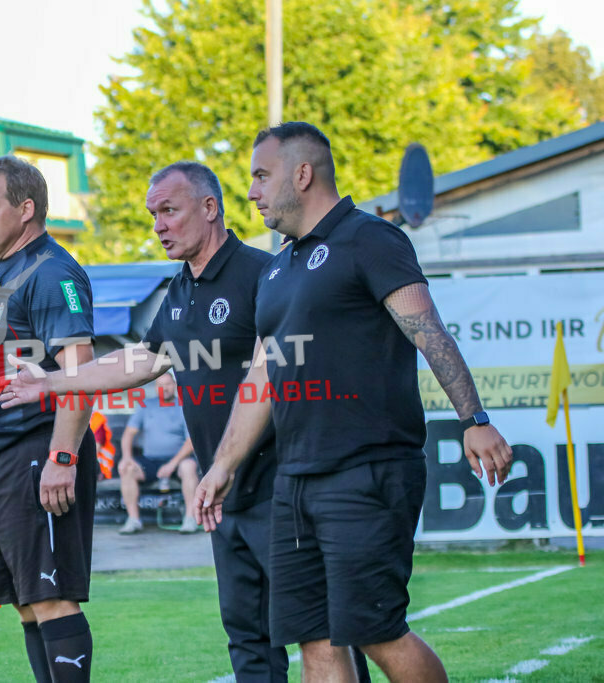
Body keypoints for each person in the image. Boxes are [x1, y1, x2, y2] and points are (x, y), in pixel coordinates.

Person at [195, 122, 514, 683]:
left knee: (376, 631)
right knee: (314, 638)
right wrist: (223, 464)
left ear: (302, 173)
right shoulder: (275, 269)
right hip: (292, 482)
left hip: (367, 471)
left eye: (261, 176)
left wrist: (475, 419)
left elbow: (428, 331)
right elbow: (262, 376)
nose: (251, 192)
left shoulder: (371, 239)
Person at [2, 161, 297, 681]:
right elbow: (144, 359)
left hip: (284, 487)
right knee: (248, 637)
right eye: (152, 214)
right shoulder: (180, 289)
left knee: (321, 634)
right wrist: (51, 382)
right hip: (222, 495)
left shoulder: (262, 274)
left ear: (210, 209)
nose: (158, 225)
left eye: (169, 211)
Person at [0, 155, 98, 683]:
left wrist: (63, 457)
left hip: (38, 453)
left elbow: (78, 375)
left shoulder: (52, 271)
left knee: (52, 597)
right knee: (26, 602)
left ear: (26, 208)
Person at [116, 371, 198, 534]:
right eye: (160, 385)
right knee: (127, 469)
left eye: (167, 384)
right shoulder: (146, 405)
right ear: (155, 388)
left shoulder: (184, 406)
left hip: (178, 460)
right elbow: (128, 434)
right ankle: (133, 520)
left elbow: (192, 442)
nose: (164, 388)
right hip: (150, 460)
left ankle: (190, 518)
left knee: (189, 466)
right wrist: (126, 458)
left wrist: (171, 464)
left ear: (174, 386)